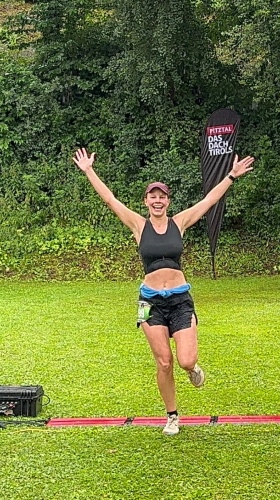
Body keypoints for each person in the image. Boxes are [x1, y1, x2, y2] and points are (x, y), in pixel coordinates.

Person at [73, 147, 255, 435]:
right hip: (149, 303)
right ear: (146, 201)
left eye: (162, 197)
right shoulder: (138, 225)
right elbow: (110, 199)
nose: (157, 201)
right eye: (153, 197)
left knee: (186, 360)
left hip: (180, 299)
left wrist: (231, 175)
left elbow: (209, 200)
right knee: (164, 361)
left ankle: (193, 370)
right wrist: (89, 171)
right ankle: (172, 416)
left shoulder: (179, 222)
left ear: (168, 201)